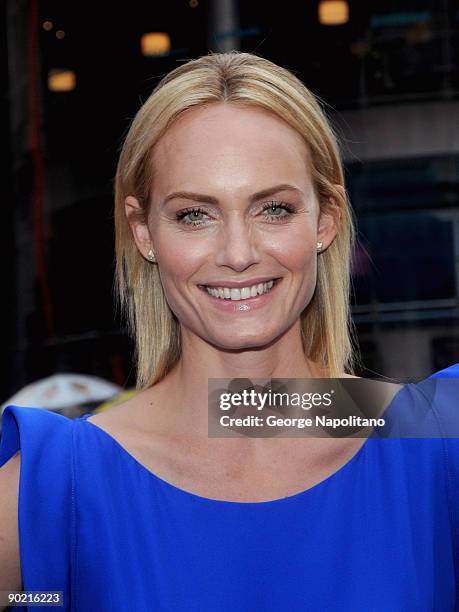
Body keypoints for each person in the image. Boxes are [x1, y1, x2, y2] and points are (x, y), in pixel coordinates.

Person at [0, 50, 458, 611]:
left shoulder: (435, 443)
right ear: (144, 233)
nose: (238, 254)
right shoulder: (50, 491)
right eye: (195, 214)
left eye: (274, 209)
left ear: (326, 219)